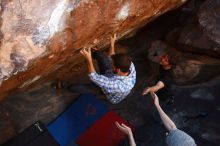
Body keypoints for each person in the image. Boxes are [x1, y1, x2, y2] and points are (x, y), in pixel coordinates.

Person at [68, 34, 136, 104]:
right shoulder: (129, 65)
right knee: (100, 56)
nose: (111, 64)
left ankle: (65, 86)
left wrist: (89, 59)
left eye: (112, 65)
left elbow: (93, 76)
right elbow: (111, 57)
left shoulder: (117, 85)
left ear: (117, 69)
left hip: (105, 91)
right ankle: (94, 52)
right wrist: (112, 43)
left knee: (74, 87)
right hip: (110, 75)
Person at [116, 92, 197, 146]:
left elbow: (172, 129)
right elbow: (172, 128)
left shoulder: (188, 142)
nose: (167, 133)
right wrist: (157, 105)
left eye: (168, 135)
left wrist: (130, 134)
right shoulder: (188, 142)